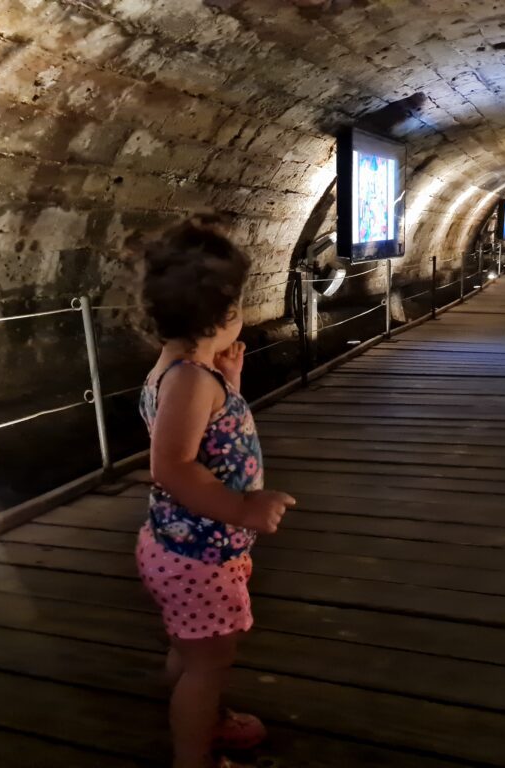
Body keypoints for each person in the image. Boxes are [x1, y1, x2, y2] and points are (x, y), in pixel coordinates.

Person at [134, 215, 296, 768]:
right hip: (198, 555)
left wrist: (230, 382)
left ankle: (201, 715)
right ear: (223, 313)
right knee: (209, 663)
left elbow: (203, 436)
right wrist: (243, 507)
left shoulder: (181, 370)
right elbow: (173, 467)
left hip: (186, 548)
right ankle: (195, 751)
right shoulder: (187, 380)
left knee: (191, 648)